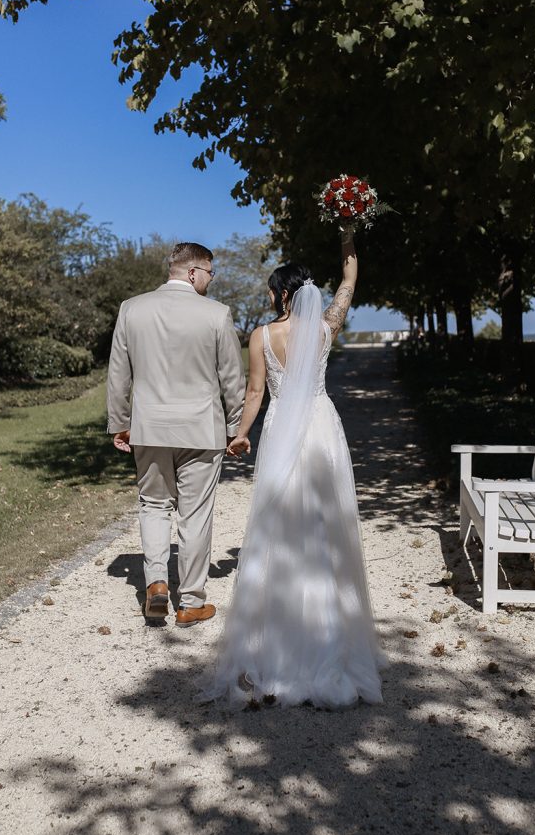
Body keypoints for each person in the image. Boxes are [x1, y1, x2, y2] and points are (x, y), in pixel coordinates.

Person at [198, 227, 386, 709]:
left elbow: (256, 393)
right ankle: (332, 635)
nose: (266, 295)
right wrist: (347, 237)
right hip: (322, 424)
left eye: (269, 289)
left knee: (280, 522)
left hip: (283, 428)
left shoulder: (261, 335)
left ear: (281, 293)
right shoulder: (326, 328)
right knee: (327, 522)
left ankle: (280, 640)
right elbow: (349, 283)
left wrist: (240, 434)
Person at [106, 242, 246, 627]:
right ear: (192, 271)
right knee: (195, 514)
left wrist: (120, 421)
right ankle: (191, 600)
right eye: (209, 273)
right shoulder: (217, 315)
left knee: (153, 505)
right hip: (202, 429)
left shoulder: (132, 309)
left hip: (150, 427)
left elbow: (119, 372)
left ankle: (155, 585)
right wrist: (236, 427)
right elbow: (232, 377)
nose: (210, 281)